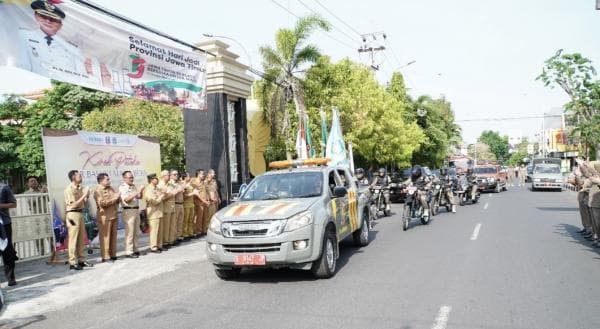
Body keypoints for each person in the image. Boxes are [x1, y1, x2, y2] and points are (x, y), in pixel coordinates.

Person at [19, 1, 88, 80]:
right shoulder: (23, 35)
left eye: (53, 19)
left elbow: (81, 77)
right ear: (36, 16)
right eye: (43, 16)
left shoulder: (73, 49)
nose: (48, 21)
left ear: (60, 25)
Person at [63, 170, 92, 270]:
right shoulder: (69, 189)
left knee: (81, 238)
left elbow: (84, 202)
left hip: (80, 213)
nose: (81, 177)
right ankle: (72, 262)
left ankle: (81, 260)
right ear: (73, 178)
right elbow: (73, 204)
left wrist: (87, 195)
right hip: (72, 215)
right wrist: (84, 195)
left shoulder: (80, 188)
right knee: (73, 238)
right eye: (79, 175)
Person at [93, 173, 120, 262]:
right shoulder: (98, 190)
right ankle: (105, 256)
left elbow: (117, 199)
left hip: (114, 215)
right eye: (107, 179)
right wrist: (115, 198)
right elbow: (102, 203)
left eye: (109, 179)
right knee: (105, 237)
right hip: (104, 216)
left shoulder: (111, 188)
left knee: (113, 236)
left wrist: (119, 197)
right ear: (101, 181)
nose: (109, 181)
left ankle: (113, 254)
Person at [119, 171, 143, 258]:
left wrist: (141, 191)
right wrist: (137, 192)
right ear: (124, 178)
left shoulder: (133, 186)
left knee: (136, 231)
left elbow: (139, 197)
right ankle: (129, 251)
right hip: (128, 211)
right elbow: (127, 199)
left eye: (132, 177)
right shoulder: (122, 187)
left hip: (136, 210)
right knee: (130, 232)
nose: (131, 179)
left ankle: (135, 249)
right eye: (129, 178)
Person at [0, 183, 18, 285]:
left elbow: (13, 204)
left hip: (4, 223)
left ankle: (11, 278)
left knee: (7, 251)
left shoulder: (4, 187)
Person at [143, 174, 164, 253]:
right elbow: (154, 201)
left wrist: (162, 195)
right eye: (155, 179)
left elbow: (162, 195)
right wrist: (161, 196)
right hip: (153, 213)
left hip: (159, 211)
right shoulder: (148, 189)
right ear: (151, 180)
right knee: (154, 231)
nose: (157, 180)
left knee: (160, 230)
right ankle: (153, 247)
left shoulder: (157, 188)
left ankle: (159, 245)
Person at [157, 170, 176, 249]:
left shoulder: (169, 184)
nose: (169, 176)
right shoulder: (160, 185)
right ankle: (165, 242)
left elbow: (175, 190)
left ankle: (170, 240)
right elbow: (162, 198)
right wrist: (172, 194)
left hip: (172, 206)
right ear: (163, 176)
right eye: (168, 175)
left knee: (172, 225)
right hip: (165, 208)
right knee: (166, 226)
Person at [586, 161, 600, 248]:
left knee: (598, 223)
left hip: (597, 203)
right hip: (593, 203)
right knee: (595, 223)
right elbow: (589, 176)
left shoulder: (597, 177)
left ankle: (597, 237)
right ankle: (597, 238)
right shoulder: (595, 176)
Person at [191, 169, 207, 238]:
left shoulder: (203, 182)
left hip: (204, 202)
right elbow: (196, 194)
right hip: (198, 202)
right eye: (202, 174)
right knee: (198, 218)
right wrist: (203, 201)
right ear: (198, 174)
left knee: (203, 217)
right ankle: (197, 232)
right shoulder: (194, 182)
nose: (203, 175)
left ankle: (202, 230)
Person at [171, 170, 185, 244]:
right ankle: (174, 237)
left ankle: (179, 236)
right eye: (175, 174)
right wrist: (178, 189)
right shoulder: (170, 183)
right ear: (171, 175)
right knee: (175, 222)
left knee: (180, 221)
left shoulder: (179, 183)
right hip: (175, 203)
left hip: (181, 203)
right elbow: (171, 193)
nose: (176, 175)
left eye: (177, 174)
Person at [204, 169, 220, 235]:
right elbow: (206, 192)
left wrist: (218, 197)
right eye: (212, 174)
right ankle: (207, 229)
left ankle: (213, 228)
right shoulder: (205, 183)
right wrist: (210, 199)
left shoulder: (213, 181)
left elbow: (215, 190)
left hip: (215, 200)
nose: (214, 175)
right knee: (208, 216)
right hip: (209, 201)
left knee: (214, 214)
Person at [181, 173, 196, 240]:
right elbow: (184, 196)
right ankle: (185, 233)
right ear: (185, 177)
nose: (189, 177)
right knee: (186, 220)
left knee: (191, 219)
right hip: (186, 204)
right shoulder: (183, 184)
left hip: (191, 203)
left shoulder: (189, 184)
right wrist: (192, 193)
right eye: (188, 176)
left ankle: (190, 232)